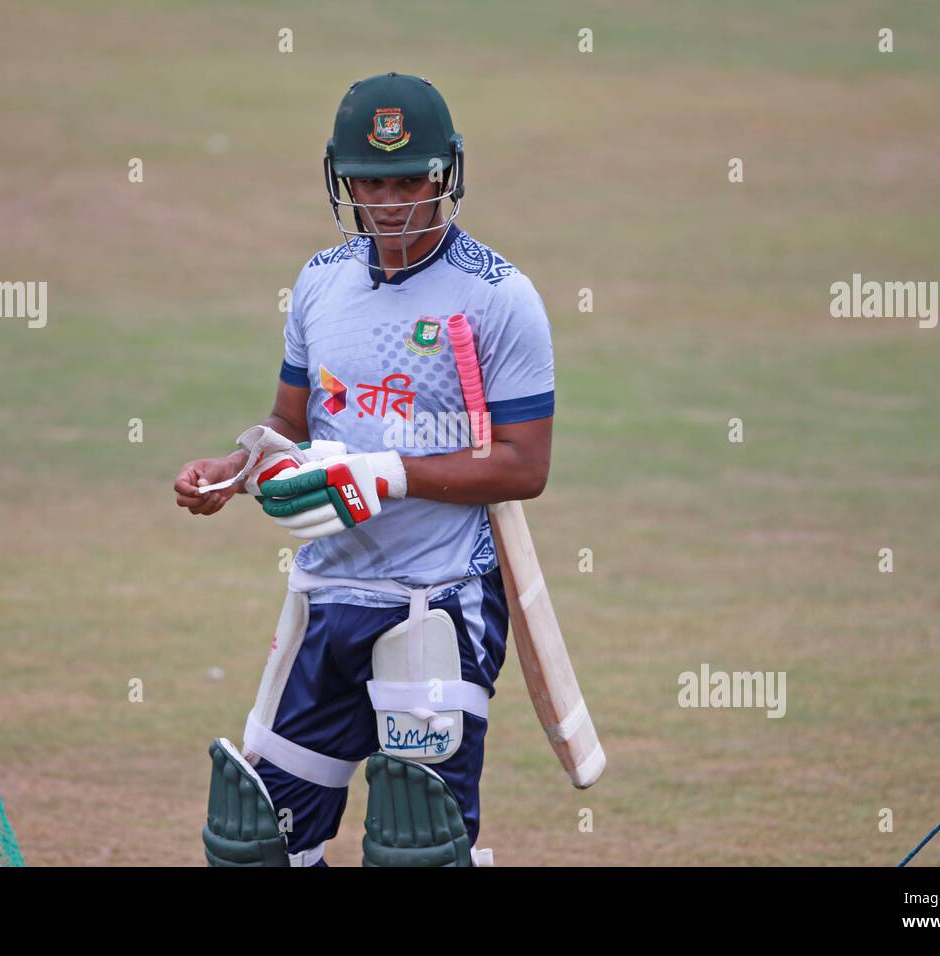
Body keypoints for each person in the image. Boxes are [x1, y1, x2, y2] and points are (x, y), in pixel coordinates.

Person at [174, 72, 555, 866]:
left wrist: (387, 475)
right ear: (340, 180)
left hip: (438, 601)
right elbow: (291, 424)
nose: (390, 202)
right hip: (327, 596)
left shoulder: (498, 296)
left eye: (409, 179)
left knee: (417, 850)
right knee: (253, 845)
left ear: (445, 175)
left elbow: (523, 465)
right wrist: (237, 467)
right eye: (369, 181)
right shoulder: (319, 281)